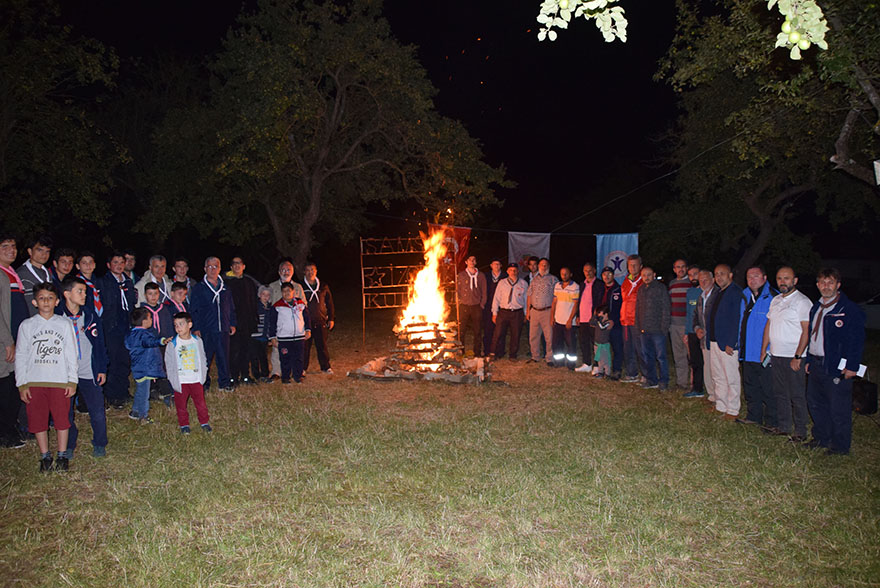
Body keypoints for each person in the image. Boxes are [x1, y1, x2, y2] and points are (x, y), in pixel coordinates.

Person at [15, 282, 77, 472]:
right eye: (42, 298)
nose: (46, 302)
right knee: (38, 420)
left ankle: (62, 455)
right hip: (35, 381)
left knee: (61, 420)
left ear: (57, 301)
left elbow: (71, 353)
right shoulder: (27, 325)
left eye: (50, 298)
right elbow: (21, 355)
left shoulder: (64, 323)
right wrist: (22, 384)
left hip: (59, 381)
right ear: (34, 302)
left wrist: (72, 380)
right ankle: (45, 456)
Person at [804, 268, 866, 455]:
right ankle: (822, 438)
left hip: (835, 366)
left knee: (838, 408)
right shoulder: (816, 307)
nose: (826, 286)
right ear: (817, 285)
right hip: (816, 363)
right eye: (822, 282)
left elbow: (856, 340)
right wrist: (808, 359)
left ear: (838, 285)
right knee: (816, 403)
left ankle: (840, 446)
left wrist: (852, 366)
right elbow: (811, 336)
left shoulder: (848, 310)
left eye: (830, 282)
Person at [59, 277, 109, 458]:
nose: (84, 295)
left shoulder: (90, 315)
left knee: (97, 411)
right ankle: (69, 443)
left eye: (85, 291)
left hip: (89, 369)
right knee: (66, 412)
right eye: (79, 291)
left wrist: (102, 368)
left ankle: (100, 442)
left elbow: (99, 343)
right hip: (65, 373)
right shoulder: (58, 317)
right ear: (66, 294)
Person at [762, 266, 813, 441]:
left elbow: (806, 331)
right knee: (780, 393)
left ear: (795, 280)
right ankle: (783, 427)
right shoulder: (775, 300)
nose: (783, 282)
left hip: (793, 356)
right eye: (779, 278)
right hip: (776, 355)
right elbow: (769, 325)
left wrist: (798, 356)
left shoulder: (802, 301)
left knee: (797, 394)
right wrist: (764, 350)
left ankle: (800, 431)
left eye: (787, 278)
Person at [738, 266, 777, 428]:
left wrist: (770, 350)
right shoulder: (744, 296)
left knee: (769, 389)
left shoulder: (774, 297)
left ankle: (772, 421)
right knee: (750, 387)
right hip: (747, 353)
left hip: (764, 353)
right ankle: (754, 416)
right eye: (749, 277)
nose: (752, 279)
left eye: (756, 276)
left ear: (765, 277)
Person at [191, 257, 237, 391]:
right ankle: (204, 383)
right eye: (209, 266)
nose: (212, 269)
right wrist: (196, 327)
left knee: (223, 357)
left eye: (215, 266)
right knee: (205, 358)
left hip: (222, 328)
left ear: (220, 268)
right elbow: (194, 309)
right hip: (206, 329)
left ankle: (224, 383)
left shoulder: (225, 288)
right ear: (205, 269)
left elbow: (231, 307)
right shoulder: (199, 288)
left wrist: (232, 323)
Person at [98, 251, 137, 409]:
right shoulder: (103, 282)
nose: (119, 265)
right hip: (111, 327)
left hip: (126, 326)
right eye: (116, 262)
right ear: (109, 265)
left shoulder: (128, 282)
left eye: (122, 262)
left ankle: (123, 391)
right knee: (112, 361)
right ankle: (112, 395)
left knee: (124, 360)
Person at [0, 234, 28, 449]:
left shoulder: (11, 274)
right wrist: (8, 341)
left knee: (13, 385)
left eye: (13, 246)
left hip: (16, 340)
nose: (11, 250)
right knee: (5, 386)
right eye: (5, 246)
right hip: (5, 343)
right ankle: (4, 433)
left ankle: (11, 427)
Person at [706, 264, 744, 420]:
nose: (719, 277)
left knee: (731, 377)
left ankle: (733, 409)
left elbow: (737, 319)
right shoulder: (718, 293)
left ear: (730, 275)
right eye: (716, 274)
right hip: (715, 340)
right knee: (718, 375)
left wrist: (732, 342)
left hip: (727, 343)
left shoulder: (735, 292)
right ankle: (721, 405)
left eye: (722, 273)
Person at [165, 312, 211, 434]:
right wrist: (172, 379)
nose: (178, 328)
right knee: (181, 405)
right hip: (181, 381)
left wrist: (203, 374)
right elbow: (168, 363)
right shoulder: (173, 344)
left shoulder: (197, 341)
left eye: (181, 324)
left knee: (200, 403)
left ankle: (204, 422)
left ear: (189, 325)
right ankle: (184, 424)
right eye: (175, 325)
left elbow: (203, 357)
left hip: (195, 379)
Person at [125, 307, 166, 424]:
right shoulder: (143, 335)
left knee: (140, 390)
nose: (151, 320)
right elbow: (149, 342)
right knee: (144, 393)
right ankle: (143, 416)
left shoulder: (132, 334)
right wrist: (161, 341)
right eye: (150, 318)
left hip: (138, 367)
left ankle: (135, 411)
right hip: (145, 367)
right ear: (144, 321)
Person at [268, 260, 304, 380]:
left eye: (288, 269)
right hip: (278, 325)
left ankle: (297, 371)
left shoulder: (298, 287)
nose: (286, 272)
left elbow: (304, 307)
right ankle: (276, 372)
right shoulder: (272, 287)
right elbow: (267, 305)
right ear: (279, 272)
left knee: (295, 350)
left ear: (292, 272)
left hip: (294, 327)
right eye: (283, 269)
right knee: (277, 348)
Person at [635, 267, 671, 390]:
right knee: (647, 356)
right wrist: (638, 326)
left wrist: (664, 327)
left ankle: (664, 381)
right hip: (644, 330)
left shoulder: (661, 288)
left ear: (654, 274)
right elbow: (637, 309)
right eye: (644, 275)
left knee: (661, 357)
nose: (646, 277)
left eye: (649, 275)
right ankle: (651, 380)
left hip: (658, 330)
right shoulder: (641, 289)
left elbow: (666, 308)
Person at [226, 256, 260, 385]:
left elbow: (253, 302)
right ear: (231, 267)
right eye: (234, 264)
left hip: (247, 323)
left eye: (239, 263)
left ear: (244, 266)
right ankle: (233, 377)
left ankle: (245, 376)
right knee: (234, 351)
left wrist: (253, 320)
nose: (237, 266)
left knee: (245, 350)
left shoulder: (249, 282)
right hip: (233, 323)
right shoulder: (227, 283)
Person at [269, 282, 311, 384]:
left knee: (299, 358)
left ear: (293, 292)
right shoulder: (277, 306)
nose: (286, 293)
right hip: (284, 337)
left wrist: (308, 329)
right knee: (285, 358)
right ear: (281, 293)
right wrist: (273, 337)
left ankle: (298, 376)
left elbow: (307, 317)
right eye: (284, 291)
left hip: (299, 336)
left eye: (289, 290)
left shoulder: (300, 304)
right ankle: (286, 378)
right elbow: (272, 322)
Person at [141, 282, 174, 404]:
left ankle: (164, 389)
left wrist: (171, 337)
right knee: (150, 366)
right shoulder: (142, 311)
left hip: (164, 343)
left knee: (163, 365)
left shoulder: (164, 309)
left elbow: (169, 324)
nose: (153, 296)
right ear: (145, 295)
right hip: (150, 345)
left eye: (156, 293)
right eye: (150, 294)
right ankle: (152, 389)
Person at [302, 262, 336, 373]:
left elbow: (329, 303)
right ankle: (302, 368)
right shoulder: (300, 286)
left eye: (312, 269)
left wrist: (331, 318)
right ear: (304, 272)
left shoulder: (323, 286)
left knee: (322, 345)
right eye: (307, 270)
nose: (310, 272)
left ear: (316, 271)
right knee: (305, 347)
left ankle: (325, 367)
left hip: (320, 320)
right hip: (305, 321)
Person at [490, 263, 527, 360]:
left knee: (515, 334)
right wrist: (494, 313)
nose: (513, 272)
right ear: (507, 271)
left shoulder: (523, 283)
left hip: (517, 312)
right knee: (498, 333)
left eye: (515, 270)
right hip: (503, 312)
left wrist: (526, 313)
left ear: (518, 271)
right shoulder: (502, 282)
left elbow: (526, 300)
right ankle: (495, 353)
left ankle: (513, 355)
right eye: (511, 270)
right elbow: (496, 298)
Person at [693, 269, 719, 404]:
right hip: (704, 339)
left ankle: (720, 395)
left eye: (706, 279)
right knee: (707, 367)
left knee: (717, 369)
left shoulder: (718, 295)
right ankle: (711, 395)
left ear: (713, 280)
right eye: (700, 280)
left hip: (716, 339)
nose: (703, 282)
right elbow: (696, 317)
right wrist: (697, 328)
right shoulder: (701, 297)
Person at [526, 258, 558, 365]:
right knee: (533, 336)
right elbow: (529, 295)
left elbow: (556, 297)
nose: (543, 267)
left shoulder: (553, 279)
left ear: (548, 266)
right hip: (534, 311)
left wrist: (554, 314)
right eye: (541, 265)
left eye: (545, 265)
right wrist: (528, 311)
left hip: (547, 311)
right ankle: (535, 356)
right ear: (539, 266)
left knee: (549, 336)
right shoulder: (534, 279)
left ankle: (549, 358)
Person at [619, 255, 645, 383]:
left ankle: (646, 375)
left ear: (640, 266)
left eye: (635, 265)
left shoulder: (643, 281)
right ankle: (631, 373)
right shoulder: (626, 281)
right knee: (628, 348)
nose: (633, 267)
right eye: (630, 265)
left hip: (637, 321)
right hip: (625, 320)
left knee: (641, 348)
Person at [667, 259, 691, 390]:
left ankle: (695, 384)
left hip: (688, 325)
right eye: (678, 267)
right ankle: (681, 383)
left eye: (683, 267)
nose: (680, 269)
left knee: (691, 356)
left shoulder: (691, 283)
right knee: (678, 355)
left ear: (686, 268)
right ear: (674, 269)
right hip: (674, 324)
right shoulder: (672, 284)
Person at [456, 255, 487, 358]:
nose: (472, 262)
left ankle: (477, 352)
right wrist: (459, 301)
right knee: (461, 330)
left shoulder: (481, 275)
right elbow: (458, 290)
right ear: (466, 262)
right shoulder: (461, 275)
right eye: (470, 260)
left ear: (476, 262)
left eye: (474, 260)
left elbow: (484, 291)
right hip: (464, 306)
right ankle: (461, 351)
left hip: (476, 306)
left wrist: (482, 304)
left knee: (477, 330)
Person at [575, 263, 604, 373]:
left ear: (594, 271)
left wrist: (596, 316)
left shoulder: (599, 284)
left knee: (595, 343)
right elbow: (580, 301)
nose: (588, 272)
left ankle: (597, 365)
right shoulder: (582, 284)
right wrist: (578, 315)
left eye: (590, 270)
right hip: (583, 319)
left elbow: (600, 301)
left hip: (593, 319)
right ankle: (587, 363)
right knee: (584, 342)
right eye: (585, 270)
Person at [682, 266, 706, 398]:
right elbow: (688, 313)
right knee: (695, 361)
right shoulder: (690, 292)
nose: (693, 277)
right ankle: (697, 388)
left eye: (695, 274)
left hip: (704, 332)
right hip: (692, 331)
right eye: (690, 275)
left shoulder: (706, 291)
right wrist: (686, 332)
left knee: (708, 362)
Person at [596, 267, 623, 379]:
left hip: (615, 324)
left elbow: (621, 308)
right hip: (602, 325)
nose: (606, 277)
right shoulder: (600, 289)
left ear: (613, 275)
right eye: (604, 274)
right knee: (602, 348)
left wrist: (613, 320)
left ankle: (616, 370)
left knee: (617, 348)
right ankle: (602, 369)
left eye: (609, 274)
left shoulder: (619, 289)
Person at [551, 267, 579, 370]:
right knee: (556, 343)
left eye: (566, 274)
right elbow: (554, 302)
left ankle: (571, 365)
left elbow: (576, 304)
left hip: (569, 322)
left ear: (570, 274)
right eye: (562, 274)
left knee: (571, 344)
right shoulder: (557, 286)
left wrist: (570, 319)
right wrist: (552, 317)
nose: (564, 276)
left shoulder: (575, 286)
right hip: (558, 321)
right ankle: (559, 363)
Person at [16, 235, 53, 315]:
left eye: (47, 251)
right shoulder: (22, 273)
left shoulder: (47, 273)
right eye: (40, 250)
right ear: (30, 251)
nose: (44, 254)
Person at [250, 286, 273, 382]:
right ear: (259, 295)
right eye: (263, 294)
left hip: (264, 337)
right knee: (254, 357)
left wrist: (270, 337)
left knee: (263, 356)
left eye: (268, 295)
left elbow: (271, 324)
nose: (265, 297)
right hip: (255, 337)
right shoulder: (255, 307)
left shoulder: (270, 308)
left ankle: (265, 374)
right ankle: (256, 375)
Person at [482, 259, 504, 357]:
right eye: (494, 264)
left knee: (500, 330)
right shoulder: (485, 276)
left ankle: (499, 351)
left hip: (501, 307)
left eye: (498, 264)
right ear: (491, 265)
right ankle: (487, 350)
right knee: (488, 330)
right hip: (488, 307)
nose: (496, 266)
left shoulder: (505, 277)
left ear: (501, 266)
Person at [589, 305, 614, 377]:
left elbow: (602, 327)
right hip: (597, 344)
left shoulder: (609, 322)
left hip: (604, 345)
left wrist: (599, 320)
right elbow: (591, 323)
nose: (598, 314)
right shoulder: (598, 322)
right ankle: (600, 372)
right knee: (599, 359)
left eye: (600, 313)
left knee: (605, 359)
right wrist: (594, 316)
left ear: (606, 314)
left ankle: (607, 373)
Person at [75, 251, 102, 317]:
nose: (88, 265)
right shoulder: (75, 283)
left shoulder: (100, 282)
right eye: (84, 263)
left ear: (95, 265)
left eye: (90, 262)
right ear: (78, 266)